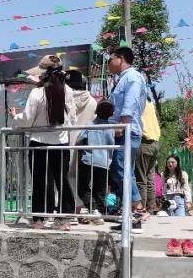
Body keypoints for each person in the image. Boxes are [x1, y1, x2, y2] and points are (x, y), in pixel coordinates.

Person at [9, 61, 77, 228]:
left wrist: (14, 116)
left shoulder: (37, 93)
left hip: (39, 143)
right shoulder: (67, 90)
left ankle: (39, 219)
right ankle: (64, 220)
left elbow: (27, 119)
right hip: (61, 142)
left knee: (39, 181)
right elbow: (73, 119)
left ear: (43, 74)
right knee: (62, 180)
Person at [106, 46, 149, 223]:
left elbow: (129, 106)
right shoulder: (123, 79)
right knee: (124, 170)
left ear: (121, 59)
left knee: (121, 168)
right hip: (124, 131)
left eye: (111, 59)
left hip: (127, 131)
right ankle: (130, 210)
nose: (109, 64)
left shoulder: (132, 77)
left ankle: (136, 207)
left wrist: (121, 127)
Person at [65, 68, 98, 211]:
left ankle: (74, 206)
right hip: (87, 143)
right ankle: (88, 206)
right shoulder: (92, 101)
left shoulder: (66, 100)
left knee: (67, 175)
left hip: (67, 141)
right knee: (86, 178)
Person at [76, 99, 114, 221]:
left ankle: (93, 208)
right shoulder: (111, 128)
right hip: (104, 163)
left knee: (82, 188)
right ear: (111, 114)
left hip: (89, 160)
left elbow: (79, 139)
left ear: (96, 111)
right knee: (100, 191)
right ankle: (101, 213)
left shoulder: (89, 125)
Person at [137, 95, 161, 212]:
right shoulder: (150, 103)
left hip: (145, 142)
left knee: (141, 179)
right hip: (155, 142)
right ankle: (150, 209)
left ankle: (141, 209)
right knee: (150, 179)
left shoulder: (140, 103)